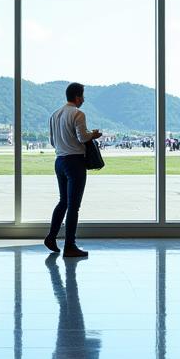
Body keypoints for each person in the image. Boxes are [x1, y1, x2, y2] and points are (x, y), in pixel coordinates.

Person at [46, 82, 101, 259]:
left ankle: (51, 237)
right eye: (82, 96)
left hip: (59, 161)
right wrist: (93, 134)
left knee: (63, 201)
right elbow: (82, 137)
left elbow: (53, 141)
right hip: (75, 162)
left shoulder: (55, 115)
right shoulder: (78, 114)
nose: (83, 99)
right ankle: (70, 245)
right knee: (73, 206)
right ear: (77, 97)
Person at [47, 254, 100, 359]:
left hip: (75, 341)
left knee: (71, 302)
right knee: (65, 305)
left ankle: (66, 274)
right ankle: (55, 274)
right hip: (64, 344)